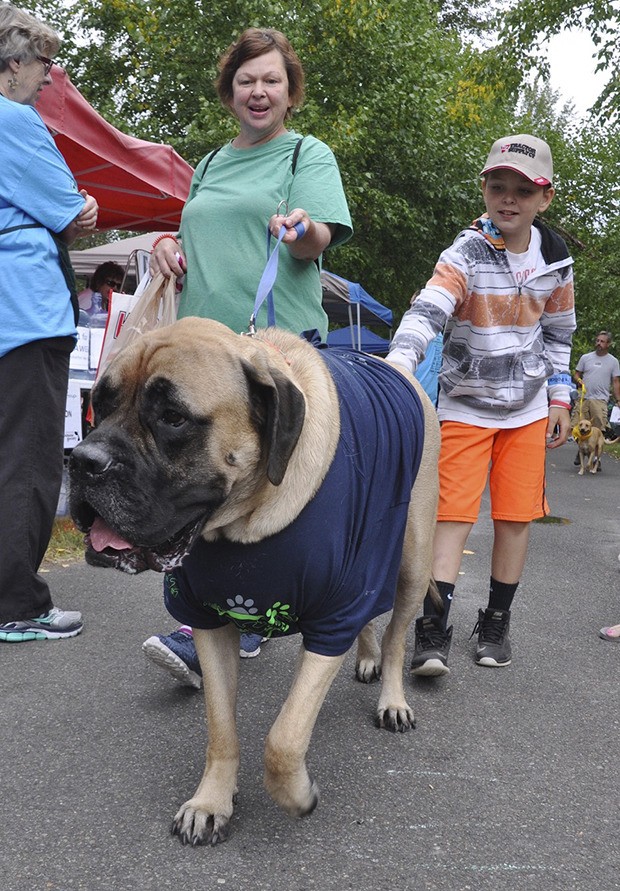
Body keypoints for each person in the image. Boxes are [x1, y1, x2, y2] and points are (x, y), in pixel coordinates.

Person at [141, 27, 352, 685]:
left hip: (275, 356)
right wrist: (169, 246)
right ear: (229, 92)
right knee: (202, 483)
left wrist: (300, 230)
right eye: (246, 80)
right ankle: (215, 617)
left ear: (290, 93)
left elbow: (318, 238)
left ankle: (241, 618)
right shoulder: (207, 164)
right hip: (203, 360)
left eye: (271, 81)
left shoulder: (306, 153)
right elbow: (203, 233)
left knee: (269, 491)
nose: (258, 91)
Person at [388, 134, 576, 675]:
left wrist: (560, 396)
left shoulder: (556, 262)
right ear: (484, 190)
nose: (509, 198)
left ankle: (496, 621)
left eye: (524, 190)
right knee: (450, 517)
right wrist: (400, 361)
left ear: (545, 198)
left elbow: (559, 335)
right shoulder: (466, 251)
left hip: (527, 409)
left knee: (515, 518)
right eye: (498, 187)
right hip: (466, 405)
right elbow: (431, 306)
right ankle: (432, 628)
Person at [0, 3, 98, 642]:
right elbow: (70, 212)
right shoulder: (14, 120)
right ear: (13, 63)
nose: (49, 77)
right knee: (27, 461)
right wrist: (79, 205)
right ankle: (17, 604)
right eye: (45, 63)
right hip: (26, 313)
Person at [571, 332, 620, 467]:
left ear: (608, 344)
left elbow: (616, 381)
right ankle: (581, 449)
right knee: (577, 427)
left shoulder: (613, 361)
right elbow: (576, 374)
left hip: (600, 400)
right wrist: (579, 380)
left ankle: (596, 459)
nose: (599, 343)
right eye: (597, 340)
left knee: (598, 430)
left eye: (602, 341)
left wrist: (618, 399)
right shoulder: (586, 358)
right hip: (584, 398)